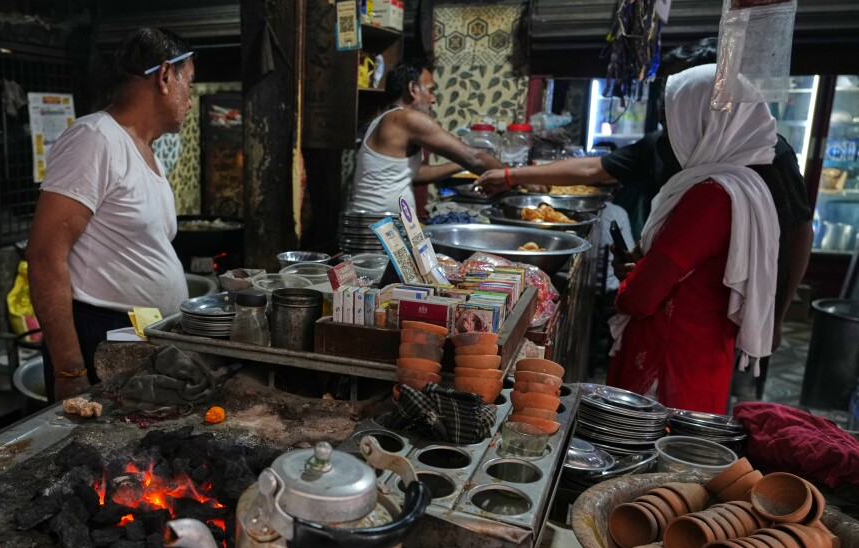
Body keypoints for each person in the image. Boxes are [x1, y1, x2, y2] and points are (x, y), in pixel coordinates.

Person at [476, 38, 812, 356]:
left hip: (703, 324)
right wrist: (511, 175)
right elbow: (595, 169)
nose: (664, 105)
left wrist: (775, 315)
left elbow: (798, 233)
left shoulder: (744, 170)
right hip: (674, 318)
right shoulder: (672, 145)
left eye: (676, 90)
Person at [26, 27, 194, 402]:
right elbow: (44, 256)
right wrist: (70, 371)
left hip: (139, 336)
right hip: (101, 335)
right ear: (165, 76)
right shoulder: (94, 139)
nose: (191, 100)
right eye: (190, 84)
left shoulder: (144, 149)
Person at [605, 64, 785, 413]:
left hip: (670, 370)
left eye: (671, 126)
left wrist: (632, 281)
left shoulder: (711, 197)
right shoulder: (745, 184)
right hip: (700, 360)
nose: (668, 140)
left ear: (706, 124)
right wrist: (641, 267)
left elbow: (640, 297)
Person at [348, 62, 504, 215]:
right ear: (412, 89)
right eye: (430, 90)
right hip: (376, 224)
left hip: (383, 223)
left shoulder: (385, 119)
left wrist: (460, 165)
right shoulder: (406, 118)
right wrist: (514, 178)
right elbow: (475, 158)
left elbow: (412, 174)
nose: (433, 99)